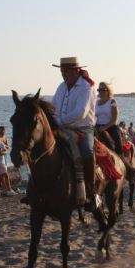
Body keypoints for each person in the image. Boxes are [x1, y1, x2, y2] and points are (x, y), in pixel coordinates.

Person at [51, 56, 97, 207]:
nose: (64, 74)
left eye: (67, 71)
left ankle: (91, 191)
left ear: (76, 71)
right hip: (62, 127)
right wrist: (53, 120)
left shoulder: (86, 87)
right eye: (62, 71)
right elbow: (53, 107)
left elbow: (80, 112)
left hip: (83, 128)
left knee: (87, 151)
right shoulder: (61, 87)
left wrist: (59, 121)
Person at [95, 81, 123, 155]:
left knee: (118, 144)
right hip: (97, 126)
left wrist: (104, 127)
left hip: (110, 126)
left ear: (108, 91)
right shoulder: (96, 102)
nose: (100, 91)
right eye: (99, 90)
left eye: (103, 90)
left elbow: (114, 119)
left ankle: (121, 158)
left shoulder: (112, 101)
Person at [0, 132, 15, 196]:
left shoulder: (1, 143)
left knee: (6, 175)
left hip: (2, 161)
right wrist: (1, 152)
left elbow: (6, 151)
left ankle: (9, 190)